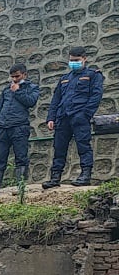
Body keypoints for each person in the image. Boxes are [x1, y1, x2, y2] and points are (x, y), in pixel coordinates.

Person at [42, 46, 105, 189]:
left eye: (76, 60)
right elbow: (56, 100)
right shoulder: (64, 79)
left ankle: (85, 175)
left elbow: (96, 96)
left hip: (79, 116)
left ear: (84, 59)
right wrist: (51, 118)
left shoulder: (93, 75)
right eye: (71, 60)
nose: (73, 63)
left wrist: (85, 114)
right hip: (63, 117)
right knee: (59, 148)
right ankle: (55, 177)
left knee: (83, 145)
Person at [0, 63, 39, 196]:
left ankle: (20, 187)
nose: (14, 79)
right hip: (2, 127)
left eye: (17, 76)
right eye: (12, 77)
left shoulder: (32, 88)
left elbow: (31, 102)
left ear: (24, 75)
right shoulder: (6, 89)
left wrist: (18, 91)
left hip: (19, 127)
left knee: (21, 157)